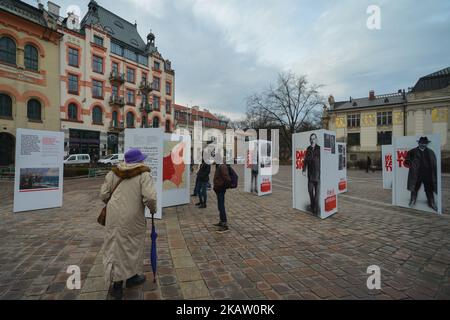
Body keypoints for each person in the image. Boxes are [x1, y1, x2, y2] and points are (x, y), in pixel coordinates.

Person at [100, 148, 157, 300]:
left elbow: (103, 194)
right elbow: (150, 198)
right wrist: (153, 210)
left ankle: (123, 280)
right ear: (139, 160)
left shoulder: (114, 172)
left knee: (115, 245)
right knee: (131, 245)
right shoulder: (143, 174)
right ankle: (124, 281)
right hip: (132, 216)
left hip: (113, 215)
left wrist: (113, 204)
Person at [405, 137, 438, 211]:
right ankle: (412, 200)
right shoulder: (412, 151)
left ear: (427, 144)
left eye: (425, 143)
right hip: (416, 173)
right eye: (422, 143)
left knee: (429, 189)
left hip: (428, 173)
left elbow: (434, 163)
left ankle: (431, 202)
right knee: (415, 188)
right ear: (419, 143)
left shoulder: (430, 152)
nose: (423, 144)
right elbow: (406, 161)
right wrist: (413, 164)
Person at [303, 133, 321, 215]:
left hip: (318, 174)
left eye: (314, 138)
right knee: (310, 191)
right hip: (310, 174)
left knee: (317, 194)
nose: (312, 140)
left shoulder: (319, 149)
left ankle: (315, 210)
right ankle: (313, 205)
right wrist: (304, 169)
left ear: (316, 139)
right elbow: (305, 160)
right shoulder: (308, 148)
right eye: (311, 139)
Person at [213, 160, 232, 233]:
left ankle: (225, 225)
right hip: (219, 189)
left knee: (221, 206)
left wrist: (224, 186)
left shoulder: (222, 166)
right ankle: (221, 221)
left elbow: (227, 178)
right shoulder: (219, 165)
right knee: (219, 206)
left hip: (221, 189)